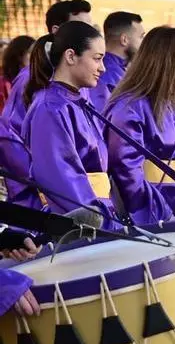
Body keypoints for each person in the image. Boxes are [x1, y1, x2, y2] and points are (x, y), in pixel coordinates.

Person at [104, 27, 175, 225]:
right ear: (169, 61)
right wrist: (162, 218)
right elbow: (127, 174)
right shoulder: (128, 108)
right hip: (150, 222)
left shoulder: (173, 107)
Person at [21, 21, 121, 228]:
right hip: (82, 225)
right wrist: (102, 224)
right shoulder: (51, 107)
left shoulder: (74, 101)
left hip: (101, 214)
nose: (102, 68)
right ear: (70, 56)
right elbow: (61, 176)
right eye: (97, 59)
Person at [3, 0, 92, 135]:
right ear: (56, 31)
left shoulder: (82, 77)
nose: (90, 36)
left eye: (90, 28)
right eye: (80, 28)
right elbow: (10, 134)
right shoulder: (30, 77)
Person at [90, 11, 144, 112]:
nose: (144, 43)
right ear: (124, 40)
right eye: (141, 37)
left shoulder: (121, 70)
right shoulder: (104, 75)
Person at [0, 35, 35, 110]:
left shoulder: (35, 78)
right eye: (30, 52)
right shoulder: (3, 83)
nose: (35, 56)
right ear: (19, 56)